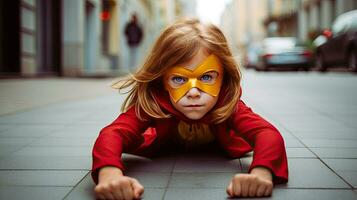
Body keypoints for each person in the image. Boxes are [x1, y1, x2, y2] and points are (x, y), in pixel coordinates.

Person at [92, 18, 288, 200]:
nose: (193, 92)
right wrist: (109, 173)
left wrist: (261, 173)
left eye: (206, 77)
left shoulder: (227, 104)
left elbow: (267, 133)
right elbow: (112, 133)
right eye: (179, 79)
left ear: (223, 79)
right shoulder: (155, 103)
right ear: (163, 82)